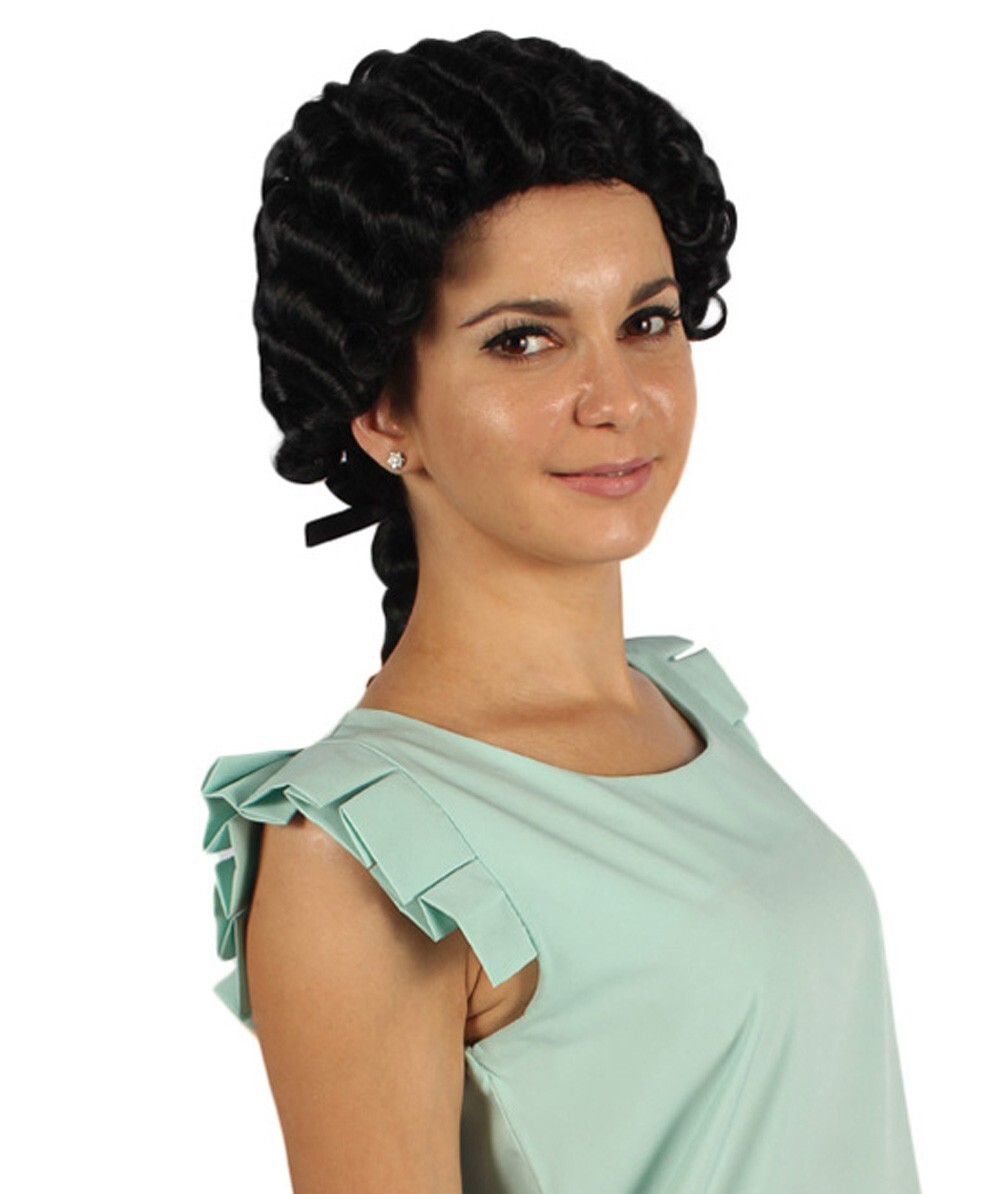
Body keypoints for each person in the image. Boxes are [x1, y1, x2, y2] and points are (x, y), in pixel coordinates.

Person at [201, 30, 922, 1194]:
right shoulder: (361, 853)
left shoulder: (688, 705)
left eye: (647, 321)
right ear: (383, 411)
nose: (618, 399)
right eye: (524, 340)